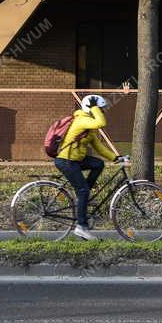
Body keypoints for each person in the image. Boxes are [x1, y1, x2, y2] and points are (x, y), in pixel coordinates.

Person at [55, 93, 125, 240]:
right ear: (91, 109)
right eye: (100, 109)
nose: (102, 112)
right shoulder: (82, 120)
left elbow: (99, 148)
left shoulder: (89, 127)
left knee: (98, 163)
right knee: (83, 190)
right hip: (67, 161)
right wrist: (94, 107)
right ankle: (81, 227)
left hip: (76, 160)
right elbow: (101, 123)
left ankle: (83, 198)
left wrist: (115, 157)